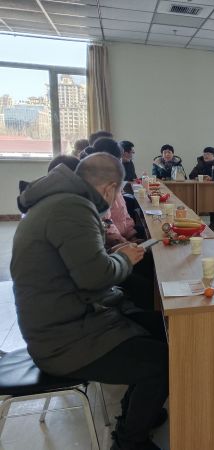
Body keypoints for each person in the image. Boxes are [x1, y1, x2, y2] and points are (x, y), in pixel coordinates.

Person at [11, 153, 168, 450]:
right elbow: (95, 278)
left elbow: (83, 267)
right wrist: (124, 259)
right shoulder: (73, 208)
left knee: (164, 330)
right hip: (64, 341)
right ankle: (129, 441)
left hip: (73, 320)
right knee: (162, 361)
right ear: (109, 188)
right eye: (118, 192)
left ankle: (138, 413)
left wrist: (112, 258)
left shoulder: (61, 202)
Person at [188, 147, 214, 230]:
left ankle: (213, 222)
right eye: (204, 154)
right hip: (199, 190)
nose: (205, 156)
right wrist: (199, 177)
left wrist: (213, 178)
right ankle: (195, 222)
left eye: (208, 154)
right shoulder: (200, 164)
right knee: (193, 199)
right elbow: (191, 176)